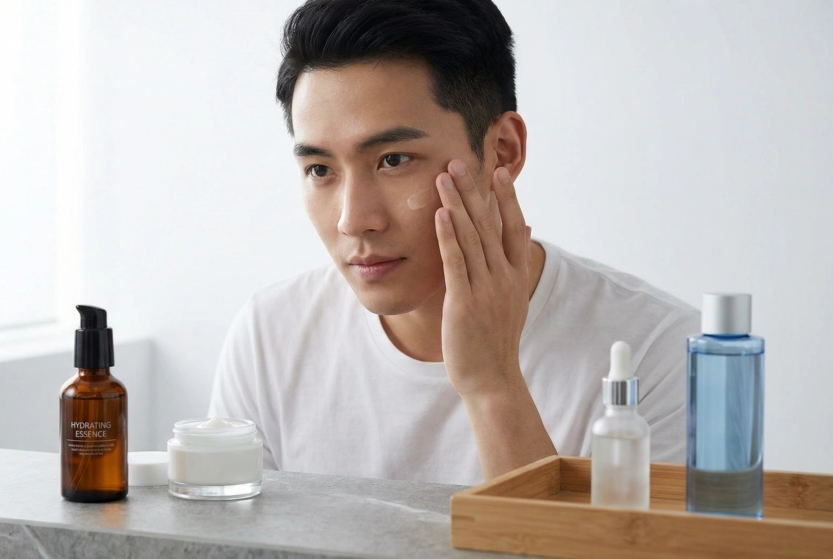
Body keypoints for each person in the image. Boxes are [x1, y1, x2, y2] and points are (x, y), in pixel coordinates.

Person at [208, 0, 698, 486]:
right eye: (320, 170)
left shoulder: (656, 352)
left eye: (394, 159)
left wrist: (493, 385)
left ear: (502, 150)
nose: (353, 221)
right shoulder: (270, 337)